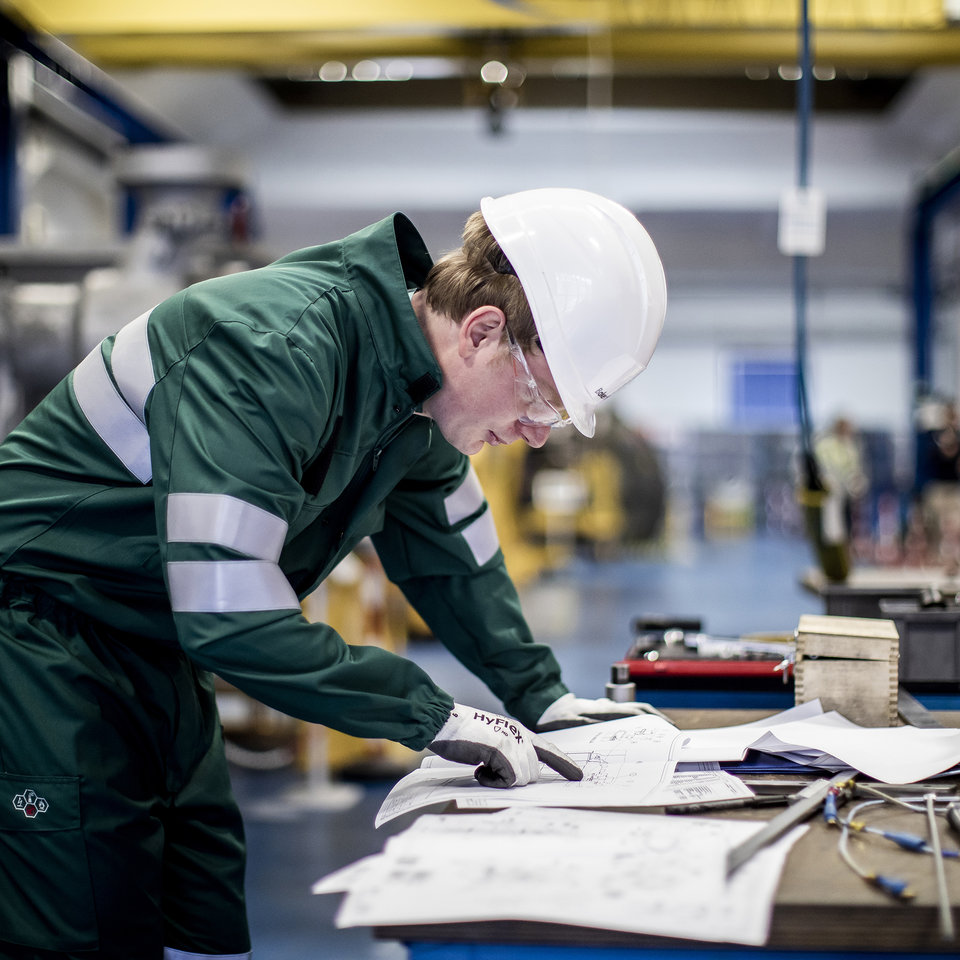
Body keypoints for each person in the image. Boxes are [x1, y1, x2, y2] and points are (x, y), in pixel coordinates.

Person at [0, 187, 667, 959]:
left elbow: (458, 565)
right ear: (483, 331)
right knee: (82, 917)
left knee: (202, 903)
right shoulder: (271, 350)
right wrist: (433, 716)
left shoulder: (417, 404)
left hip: (153, 647)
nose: (535, 437)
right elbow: (230, 614)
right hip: (40, 638)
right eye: (540, 405)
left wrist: (544, 698)